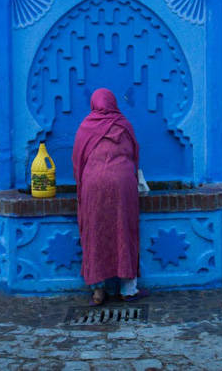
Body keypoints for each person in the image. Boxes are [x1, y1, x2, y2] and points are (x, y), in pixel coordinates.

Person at [72, 88, 149, 305]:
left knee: (94, 233)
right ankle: (128, 289)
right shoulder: (123, 125)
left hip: (94, 184)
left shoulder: (86, 127)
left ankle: (98, 291)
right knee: (124, 230)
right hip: (123, 182)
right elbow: (134, 155)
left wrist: (82, 186)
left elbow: (78, 159)